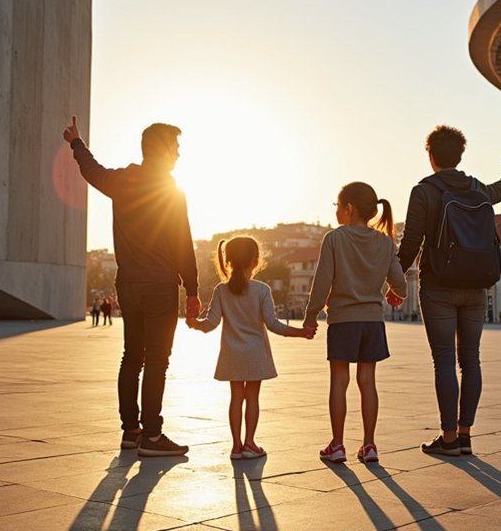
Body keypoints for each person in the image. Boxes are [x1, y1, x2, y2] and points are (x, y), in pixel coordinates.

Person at [63, 116, 200, 457]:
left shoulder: (122, 180)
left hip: (128, 286)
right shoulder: (170, 190)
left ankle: (131, 431)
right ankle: (153, 437)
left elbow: (91, 171)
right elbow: (183, 243)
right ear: (163, 150)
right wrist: (194, 289)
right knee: (157, 361)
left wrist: (76, 143)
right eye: (176, 147)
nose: (180, 154)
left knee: (132, 358)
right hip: (159, 288)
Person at [397, 125, 501, 457]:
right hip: (476, 285)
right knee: (471, 361)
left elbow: (410, 242)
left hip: (438, 285)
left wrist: (395, 281)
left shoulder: (423, 191)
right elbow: (499, 191)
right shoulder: (477, 188)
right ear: (460, 155)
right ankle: (465, 435)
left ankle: (448, 438)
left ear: (431, 156)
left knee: (444, 361)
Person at [304, 182, 407, 464]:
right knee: (367, 382)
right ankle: (369, 445)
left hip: (343, 321)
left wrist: (310, 316)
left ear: (348, 208)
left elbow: (322, 282)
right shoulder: (385, 241)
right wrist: (397, 294)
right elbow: (399, 282)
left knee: (339, 382)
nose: (336, 211)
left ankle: (337, 445)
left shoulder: (335, 239)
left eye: (337, 205)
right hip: (372, 322)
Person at [188, 237, 314, 460]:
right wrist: (300, 332)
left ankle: (236, 446)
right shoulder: (262, 290)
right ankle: (249, 444)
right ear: (255, 262)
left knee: (235, 398)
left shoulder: (221, 290)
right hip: (255, 354)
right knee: (252, 398)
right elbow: (274, 325)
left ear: (228, 262)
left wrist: (194, 323)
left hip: (231, 354)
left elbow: (210, 324)